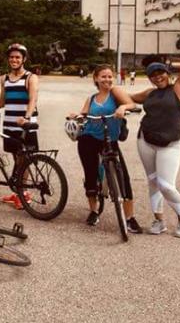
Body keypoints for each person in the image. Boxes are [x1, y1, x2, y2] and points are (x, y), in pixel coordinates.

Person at [129, 18, 180, 238]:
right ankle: (159, 221)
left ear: (168, 73)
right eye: (152, 75)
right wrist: (106, 89)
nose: (157, 77)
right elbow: (127, 97)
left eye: (161, 73)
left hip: (170, 144)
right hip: (145, 140)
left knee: (166, 184)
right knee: (152, 182)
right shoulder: (150, 94)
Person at [69, 64, 142, 233]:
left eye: (110, 76)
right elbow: (84, 114)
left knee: (123, 176)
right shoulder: (92, 98)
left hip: (109, 140)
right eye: (103, 76)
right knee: (90, 174)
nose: (107, 79)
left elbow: (131, 104)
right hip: (88, 138)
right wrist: (77, 116)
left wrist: (123, 107)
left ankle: (130, 218)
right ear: (96, 78)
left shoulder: (115, 93)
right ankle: (94, 211)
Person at [0, 43, 39, 210]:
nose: (14, 60)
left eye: (17, 57)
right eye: (12, 57)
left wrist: (27, 117)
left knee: (25, 160)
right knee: (17, 158)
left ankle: (25, 194)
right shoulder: (5, 79)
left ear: (24, 59)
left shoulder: (31, 77)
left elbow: (32, 100)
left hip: (25, 125)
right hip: (10, 125)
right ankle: (18, 194)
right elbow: (1, 102)